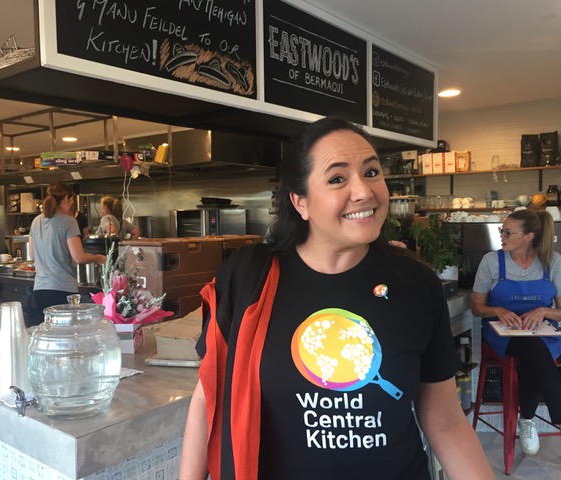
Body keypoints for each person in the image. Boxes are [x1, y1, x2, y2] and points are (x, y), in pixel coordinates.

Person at [179, 116, 493, 479]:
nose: (363, 191)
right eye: (337, 178)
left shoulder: (414, 282)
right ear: (301, 202)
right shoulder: (247, 278)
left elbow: (445, 421)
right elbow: (208, 398)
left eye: (372, 172)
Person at [472, 209, 561, 456]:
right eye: (502, 230)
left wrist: (543, 311)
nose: (502, 235)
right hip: (502, 336)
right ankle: (543, 416)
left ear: (529, 236)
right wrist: (497, 310)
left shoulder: (552, 262)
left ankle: (528, 419)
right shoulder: (492, 261)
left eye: (508, 232)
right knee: (532, 349)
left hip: (542, 334)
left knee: (533, 351)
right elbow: (477, 307)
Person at [29, 182, 106, 324]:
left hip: (40, 289)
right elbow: (79, 257)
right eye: (71, 201)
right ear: (65, 199)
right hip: (62, 290)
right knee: (67, 334)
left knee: (49, 334)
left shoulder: (36, 221)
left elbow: (32, 255)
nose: (71, 205)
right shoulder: (68, 222)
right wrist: (99, 258)